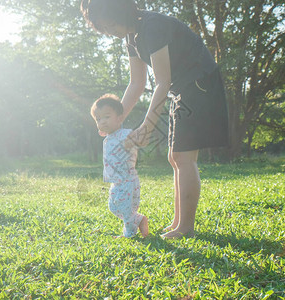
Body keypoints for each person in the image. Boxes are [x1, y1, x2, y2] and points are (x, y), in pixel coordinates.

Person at [82, 0, 229, 238]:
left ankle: (186, 228)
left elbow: (163, 81)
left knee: (182, 157)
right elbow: (136, 84)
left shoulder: (152, 27)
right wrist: (114, 120)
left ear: (121, 12)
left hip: (200, 84)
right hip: (181, 89)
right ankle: (178, 222)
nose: (110, 33)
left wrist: (146, 127)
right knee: (175, 157)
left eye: (110, 25)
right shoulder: (132, 36)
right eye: (104, 29)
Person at [90, 94, 149, 238]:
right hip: (115, 181)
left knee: (125, 207)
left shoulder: (125, 134)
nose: (102, 121)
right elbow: (102, 131)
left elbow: (139, 139)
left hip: (127, 179)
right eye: (98, 119)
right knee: (113, 206)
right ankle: (138, 219)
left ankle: (130, 233)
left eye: (107, 117)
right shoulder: (108, 136)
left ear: (119, 117)